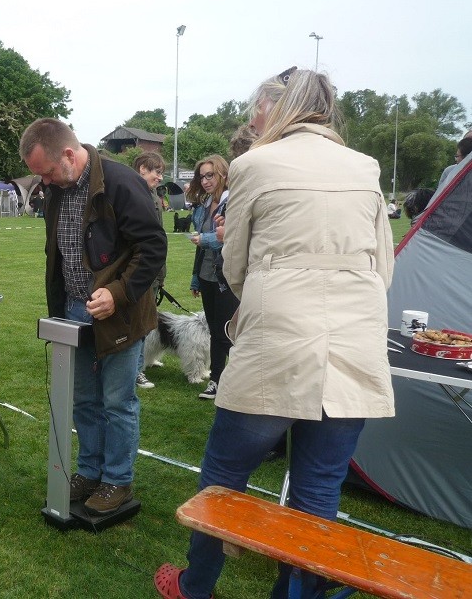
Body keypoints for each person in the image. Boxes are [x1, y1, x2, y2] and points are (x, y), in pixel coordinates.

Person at [154, 68, 395, 599]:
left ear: (275, 110)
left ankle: (195, 587)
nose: (249, 121)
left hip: (278, 338)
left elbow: (235, 266)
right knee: (317, 487)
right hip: (355, 339)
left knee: (222, 477)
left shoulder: (252, 164)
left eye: (254, 111)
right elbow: (384, 265)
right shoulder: (367, 166)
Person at [19, 118, 167, 515]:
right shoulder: (55, 189)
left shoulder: (120, 183)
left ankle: (117, 480)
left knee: (117, 401)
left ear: (69, 154)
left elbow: (152, 247)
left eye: (47, 172)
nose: (45, 182)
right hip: (72, 311)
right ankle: (88, 472)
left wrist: (117, 293)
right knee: (83, 400)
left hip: (120, 314)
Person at [186, 154, 238, 401]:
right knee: (216, 330)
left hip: (227, 276)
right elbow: (201, 245)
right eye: (202, 176)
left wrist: (205, 239)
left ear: (223, 175)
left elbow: (230, 239)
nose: (205, 181)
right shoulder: (205, 206)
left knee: (228, 331)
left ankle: (231, 380)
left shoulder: (233, 202)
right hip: (208, 275)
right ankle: (216, 380)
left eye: (210, 175)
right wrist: (196, 278)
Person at [131, 150, 168, 390]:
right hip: (140, 271)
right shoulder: (133, 195)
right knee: (137, 324)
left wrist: (160, 275)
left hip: (153, 271)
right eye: (156, 172)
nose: (160, 178)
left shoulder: (152, 194)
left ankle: (141, 363)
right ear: (142, 169)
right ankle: (135, 371)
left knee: (146, 322)